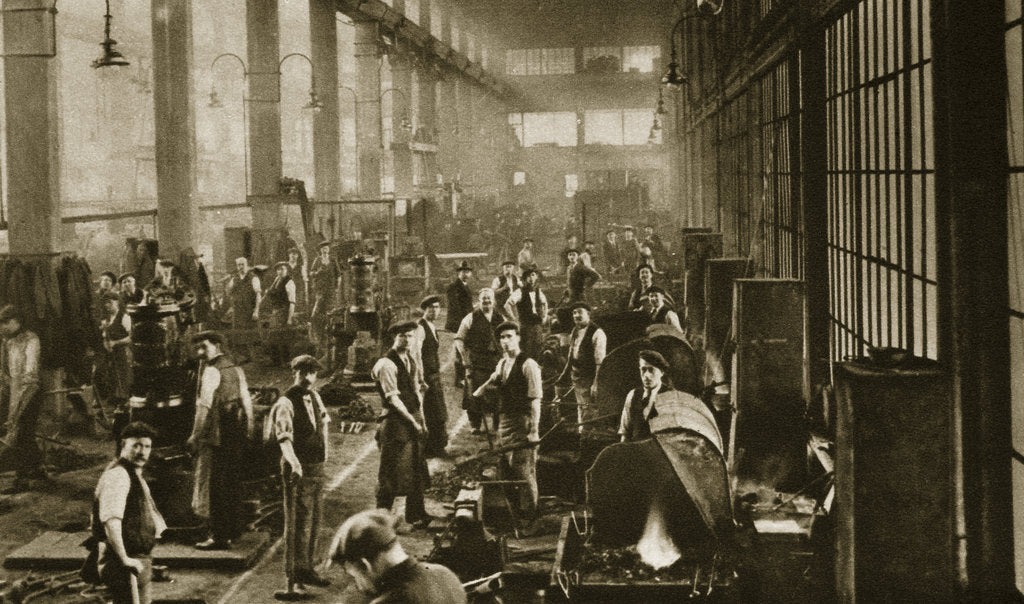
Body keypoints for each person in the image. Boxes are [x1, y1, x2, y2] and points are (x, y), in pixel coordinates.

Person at [269, 354, 332, 599]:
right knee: (296, 525)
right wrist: (294, 463)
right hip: (299, 469)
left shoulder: (315, 396)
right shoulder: (286, 402)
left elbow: (324, 422)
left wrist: (325, 454)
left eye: (312, 373)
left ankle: (307, 570)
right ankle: (292, 581)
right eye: (302, 372)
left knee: (314, 522)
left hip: (316, 467)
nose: (307, 377)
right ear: (294, 373)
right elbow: (283, 437)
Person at [187, 331, 253, 550]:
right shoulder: (234, 368)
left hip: (218, 431)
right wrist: (249, 426)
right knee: (233, 479)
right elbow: (246, 400)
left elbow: (203, 407)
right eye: (197, 348)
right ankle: (235, 530)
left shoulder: (212, 371)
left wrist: (195, 436)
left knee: (216, 484)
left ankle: (219, 536)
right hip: (235, 429)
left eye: (204, 347)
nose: (200, 352)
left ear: (217, 345)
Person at [88, 421, 166, 604]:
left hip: (137, 561)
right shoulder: (118, 476)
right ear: (123, 445)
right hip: (124, 565)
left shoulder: (133, 474)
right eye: (136, 445)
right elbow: (111, 521)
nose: (142, 451)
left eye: (147, 446)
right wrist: (124, 559)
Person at [473, 322, 542, 520]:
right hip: (504, 423)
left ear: (518, 337)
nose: (505, 341)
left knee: (524, 472)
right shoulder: (503, 363)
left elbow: (536, 400)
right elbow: (494, 378)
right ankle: (517, 514)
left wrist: (534, 430)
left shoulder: (528, 365)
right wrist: (481, 390)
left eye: (509, 336)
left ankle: (532, 517)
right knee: (506, 470)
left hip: (522, 422)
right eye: (502, 337)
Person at [331, 509, 466, 604]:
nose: (360, 587)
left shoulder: (389, 600)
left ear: (364, 564)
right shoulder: (444, 575)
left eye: (356, 577)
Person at [371, 322, 431, 529]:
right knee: (389, 472)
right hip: (394, 423)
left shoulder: (410, 359)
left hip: (412, 418)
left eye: (410, 336)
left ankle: (416, 514)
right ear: (394, 338)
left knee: (416, 466)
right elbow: (393, 399)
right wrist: (413, 421)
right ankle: (382, 519)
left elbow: (415, 391)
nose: (406, 340)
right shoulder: (386, 364)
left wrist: (422, 418)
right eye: (402, 336)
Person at [0, 305, 46, 493]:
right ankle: (37, 467)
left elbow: (30, 372)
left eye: (6, 322)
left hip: (30, 391)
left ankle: (22, 478)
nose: (2, 326)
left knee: (23, 432)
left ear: (17, 321)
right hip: (11, 390)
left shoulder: (31, 339)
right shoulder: (5, 341)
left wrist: (18, 402)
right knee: (12, 428)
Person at [454, 288, 504, 434]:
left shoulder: (500, 318)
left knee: (497, 391)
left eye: (489, 299)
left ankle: (497, 423)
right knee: (474, 392)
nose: (487, 302)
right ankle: (475, 424)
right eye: (484, 299)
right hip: (477, 361)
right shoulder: (470, 318)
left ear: (493, 301)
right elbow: (459, 339)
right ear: (479, 301)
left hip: (495, 360)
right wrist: (465, 359)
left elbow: (510, 335)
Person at [557, 302, 607, 435]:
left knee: (588, 410)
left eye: (580, 312)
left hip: (589, 378)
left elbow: (600, 363)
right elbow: (570, 356)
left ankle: (587, 438)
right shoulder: (575, 331)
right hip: (577, 377)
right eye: (574, 313)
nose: (576, 315)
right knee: (581, 408)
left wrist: (596, 384)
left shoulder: (597, 333)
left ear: (588, 314)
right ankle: (583, 435)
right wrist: (563, 375)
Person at [96, 294, 133, 443]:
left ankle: (124, 430)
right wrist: (105, 336)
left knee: (123, 389)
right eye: (105, 303)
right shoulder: (106, 320)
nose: (107, 306)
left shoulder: (125, 317)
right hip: (111, 359)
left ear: (117, 303)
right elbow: (106, 342)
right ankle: (115, 429)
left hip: (124, 357)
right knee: (113, 389)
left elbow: (131, 337)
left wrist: (116, 342)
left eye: (110, 303)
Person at [414, 296, 448, 457]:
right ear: (424, 310)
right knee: (431, 412)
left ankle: (438, 446)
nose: (434, 310)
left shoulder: (432, 326)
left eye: (437, 307)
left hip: (434, 375)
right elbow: (416, 355)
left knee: (438, 411)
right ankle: (430, 448)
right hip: (426, 376)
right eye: (431, 308)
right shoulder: (420, 328)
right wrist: (420, 378)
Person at [618, 350, 675, 441]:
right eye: (643, 370)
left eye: (651, 370)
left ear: (662, 372)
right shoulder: (632, 395)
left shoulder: (670, 396)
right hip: (635, 450)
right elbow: (625, 433)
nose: (646, 375)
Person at [504, 268, 548, 360]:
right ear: (525, 279)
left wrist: (545, 316)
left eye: (533, 275)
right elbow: (507, 305)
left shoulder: (538, 291)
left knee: (538, 348)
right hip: (526, 326)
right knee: (526, 350)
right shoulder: (520, 292)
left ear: (536, 277)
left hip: (537, 325)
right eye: (528, 276)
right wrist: (514, 319)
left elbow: (545, 303)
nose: (531, 278)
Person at [227, 257, 262, 362]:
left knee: (251, 333)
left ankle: (254, 357)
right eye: (238, 265)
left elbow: (258, 295)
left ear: (247, 265)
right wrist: (232, 305)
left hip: (249, 310)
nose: (241, 267)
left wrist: (256, 311)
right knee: (238, 333)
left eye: (243, 264)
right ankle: (244, 356)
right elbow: (229, 292)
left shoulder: (253, 278)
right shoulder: (234, 278)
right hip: (238, 311)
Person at [445, 262, 474, 387]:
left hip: (466, 321)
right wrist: (464, 321)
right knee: (459, 349)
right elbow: (454, 307)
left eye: (467, 272)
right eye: (463, 272)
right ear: (458, 273)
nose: (465, 274)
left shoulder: (466, 286)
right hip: (458, 323)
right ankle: (459, 379)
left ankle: (464, 376)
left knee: (465, 349)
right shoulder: (454, 287)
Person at [309, 242, 341, 352]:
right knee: (316, 314)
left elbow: (339, 275)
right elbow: (311, 273)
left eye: (326, 248)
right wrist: (317, 272)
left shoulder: (333, 260)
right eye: (323, 248)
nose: (325, 250)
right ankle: (317, 338)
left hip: (331, 291)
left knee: (330, 313)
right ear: (320, 250)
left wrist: (337, 288)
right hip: (320, 291)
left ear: (329, 249)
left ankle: (329, 339)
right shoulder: (317, 260)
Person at [264, 261, 297, 366]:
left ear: (286, 270)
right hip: (276, 311)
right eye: (278, 269)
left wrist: (289, 318)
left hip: (284, 311)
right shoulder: (277, 280)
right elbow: (271, 292)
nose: (280, 271)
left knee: (283, 336)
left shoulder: (289, 282)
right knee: (273, 336)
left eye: (282, 269)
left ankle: (287, 361)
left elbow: (292, 302)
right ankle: (276, 361)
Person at [286, 248, 307, 315]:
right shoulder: (285, 266)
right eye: (292, 255)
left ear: (297, 256)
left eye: (295, 255)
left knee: (297, 304)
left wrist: (305, 290)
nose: (293, 257)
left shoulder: (301, 267)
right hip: (287, 288)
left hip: (298, 288)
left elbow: (305, 279)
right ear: (289, 255)